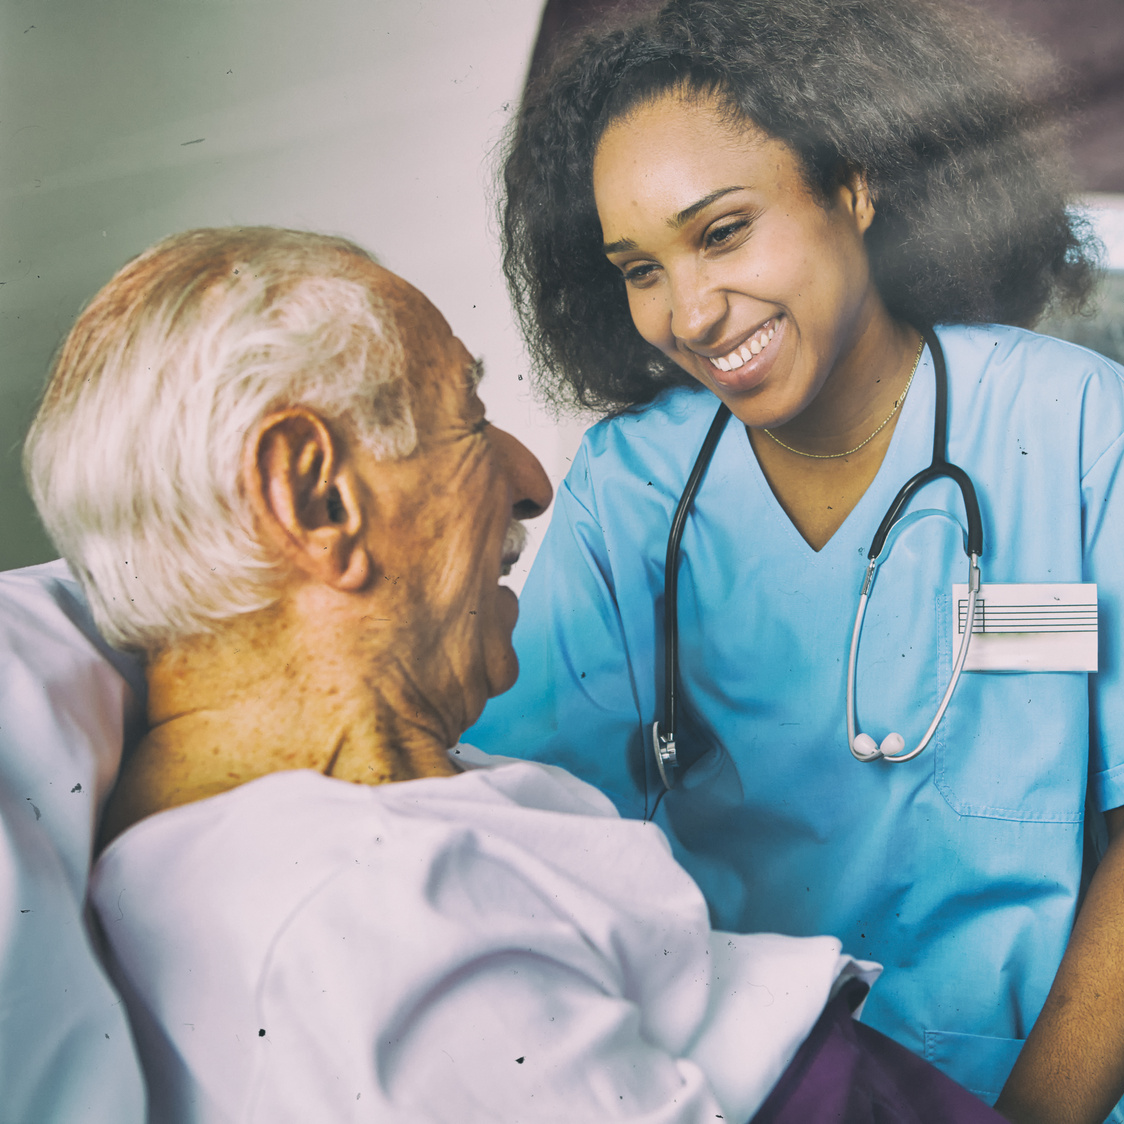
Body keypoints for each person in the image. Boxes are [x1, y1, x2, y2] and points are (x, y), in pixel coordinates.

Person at [23, 226, 1010, 1122]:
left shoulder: (344, 831)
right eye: (467, 416)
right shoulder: (362, 917)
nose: (533, 482)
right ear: (316, 498)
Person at [463, 1, 1124, 1121]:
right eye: (639, 268)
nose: (689, 312)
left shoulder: (1070, 425)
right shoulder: (632, 490)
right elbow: (533, 829)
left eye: (722, 231)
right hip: (756, 1093)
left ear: (853, 185)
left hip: (1035, 1080)